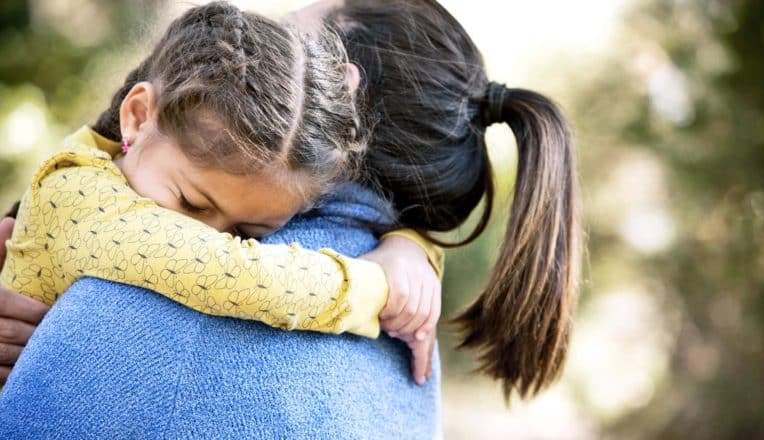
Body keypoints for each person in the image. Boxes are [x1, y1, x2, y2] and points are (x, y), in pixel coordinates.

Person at [0, 0, 582, 437]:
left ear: (328, 104)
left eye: (289, 31)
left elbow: (237, 276)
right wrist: (408, 252)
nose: (256, 39)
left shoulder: (137, 308)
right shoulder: (411, 351)